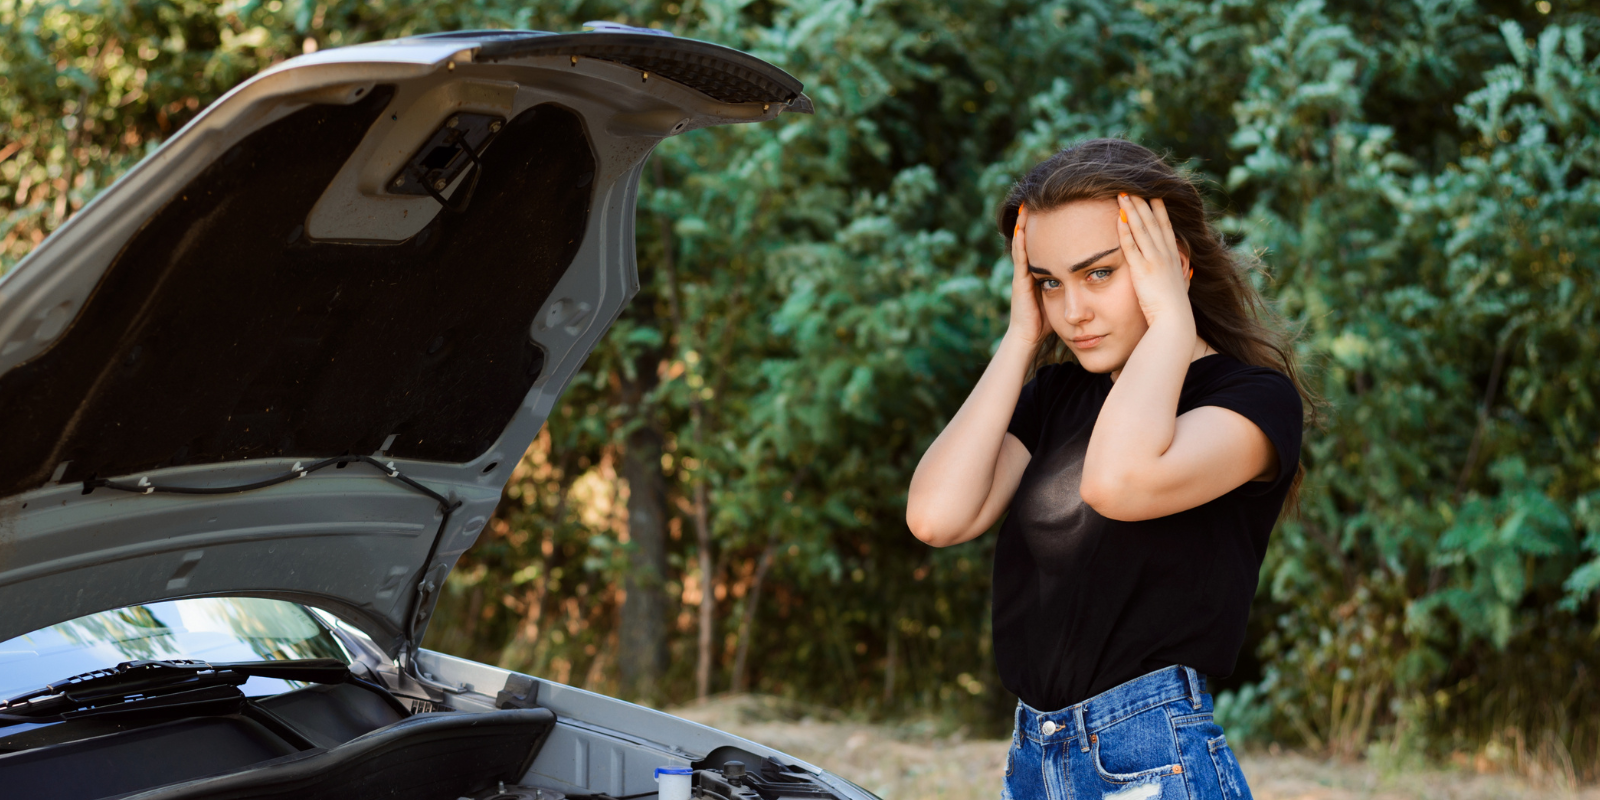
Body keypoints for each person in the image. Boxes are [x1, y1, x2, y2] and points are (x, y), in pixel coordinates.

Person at [906, 138, 1310, 800]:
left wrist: (1171, 322)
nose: (1073, 312)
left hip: (1151, 758)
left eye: (1098, 273)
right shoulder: (1057, 396)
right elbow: (936, 517)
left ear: (1172, 262)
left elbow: (1117, 483)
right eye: (1049, 282)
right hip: (1034, 758)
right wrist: (1020, 338)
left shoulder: (1252, 400)